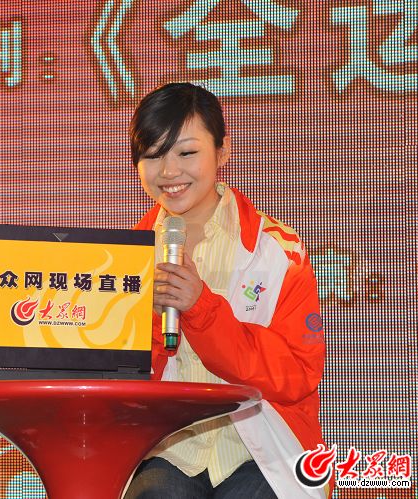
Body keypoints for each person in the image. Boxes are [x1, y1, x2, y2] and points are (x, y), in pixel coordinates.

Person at [124, 83, 328, 499]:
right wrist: (151, 322)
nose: (169, 171)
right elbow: (119, 381)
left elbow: (297, 375)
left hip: (262, 448)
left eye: (186, 153)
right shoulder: (122, 258)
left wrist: (200, 307)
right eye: (153, 155)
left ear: (223, 151)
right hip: (168, 449)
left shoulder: (279, 251)